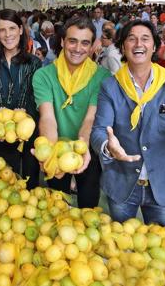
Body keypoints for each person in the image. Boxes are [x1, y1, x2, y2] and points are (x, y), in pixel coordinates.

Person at [90, 20, 165, 232]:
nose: (139, 44)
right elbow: (99, 130)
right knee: (121, 249)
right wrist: (108, 148)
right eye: (131, 38)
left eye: (145, 39)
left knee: (161, 251)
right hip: (121, 182)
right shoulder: (111, 86)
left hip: (161, 184)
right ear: (123, 47)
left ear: (154, 46)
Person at [32, 16, 111, 208]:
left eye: (85, 43)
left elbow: (90, 118)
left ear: (92, 46)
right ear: (62, 41)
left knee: (88, 204)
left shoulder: (102, 77)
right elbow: (47, 117)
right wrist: (51, 154)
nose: (78, 48)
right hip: (56, 146)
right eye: (72, 41)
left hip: (87, 149)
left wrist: (81, 149)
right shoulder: (43, 75)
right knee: (58, 204)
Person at [0, 9, 42, 188]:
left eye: (12, 28)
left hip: (28, 127)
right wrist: (0, 112)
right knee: (7, 179)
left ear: (21, 30)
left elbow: (27, 90)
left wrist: (21, 109)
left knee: (30, 179)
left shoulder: (34, 62)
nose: (8, 34)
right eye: (2, 30)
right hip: (2, 129)